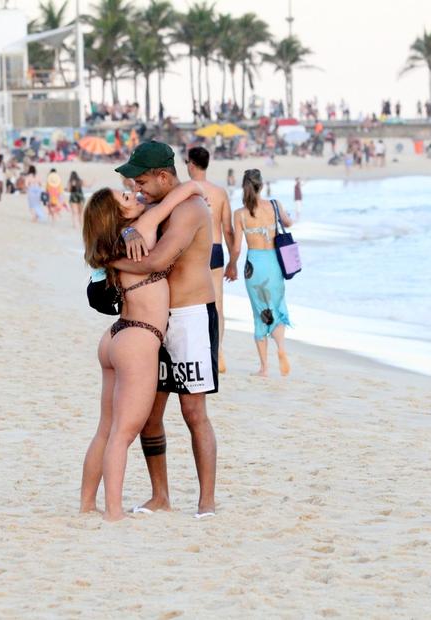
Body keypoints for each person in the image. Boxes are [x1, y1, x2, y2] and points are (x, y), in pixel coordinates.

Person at [79, 179, 205, 520]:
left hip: (114, 336)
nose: (133, 195)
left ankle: (87, 505)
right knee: (123, 432)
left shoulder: (108, 246)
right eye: (125, 197)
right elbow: (180, 194)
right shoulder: (144, 225)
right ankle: (114, 513)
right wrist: (194, 186)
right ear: (117, 215)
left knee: (106, 428)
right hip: (139, 337)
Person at [111, 141, 219, 519]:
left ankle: (206, 501)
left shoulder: (190, 210)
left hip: (191, 316)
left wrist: (109, 260)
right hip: (156, 321)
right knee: (149, 414)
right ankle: (160, 496)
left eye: (142, 181)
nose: (137, 189)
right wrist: (127, 235)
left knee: (193, 411)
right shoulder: (157, 206)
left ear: (163, 176)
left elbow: (157, 260)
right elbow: (127, 225)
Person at [226, 169, 292, 377]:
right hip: (274, 263)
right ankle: (281, 348)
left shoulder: (240, 214)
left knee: (260, 312)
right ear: (261, 185)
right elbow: (288, 223)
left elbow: (236, 248)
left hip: (254, 265)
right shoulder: (274, 205)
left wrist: (232, 265)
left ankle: (264, 368)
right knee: (277, 306)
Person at [185, 146, 233, 374]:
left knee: (192, 302)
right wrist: (234, 259)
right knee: (218, 304)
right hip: (216, 247)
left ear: (192, 165)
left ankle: (200, 349)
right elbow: (228, 229)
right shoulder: (220, 192)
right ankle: (219, 350)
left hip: (195, 249)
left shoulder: (186, 190)